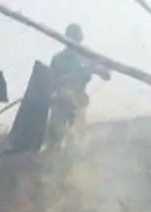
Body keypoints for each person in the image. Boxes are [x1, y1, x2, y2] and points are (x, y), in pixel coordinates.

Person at [43, 23, 111, 153]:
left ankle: (74, 162)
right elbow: (49, 82)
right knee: (55, 135)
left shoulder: (87, 55)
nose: (73, 39)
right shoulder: (58, 58)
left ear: (80, 38)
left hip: (78, 98)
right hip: (61, 98)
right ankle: (52, 163)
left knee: (76, 137)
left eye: (75, 36)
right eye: (71, 36)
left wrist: (93, 69)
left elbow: (106, 73)